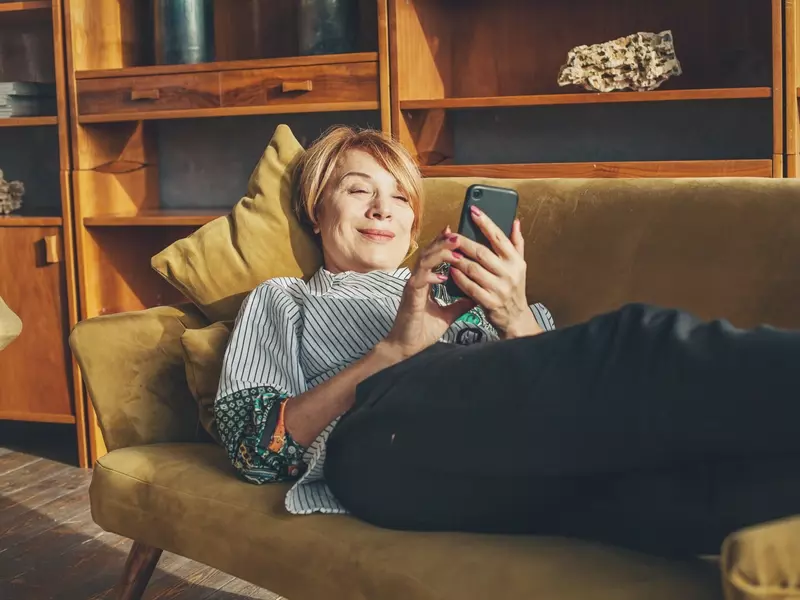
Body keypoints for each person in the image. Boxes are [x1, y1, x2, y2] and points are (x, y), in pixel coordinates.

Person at [214, 125, 800, 559]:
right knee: (639, 342)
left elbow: (581, 388)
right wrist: (393, 350)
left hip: (521, 451)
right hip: (374, 444)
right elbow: (251, 448)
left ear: (415, 224)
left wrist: (515, 313)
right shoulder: (284, 300)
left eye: (399, 198)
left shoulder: (475, 287)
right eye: (357, 190)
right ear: (317, 212)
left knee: (698, 497)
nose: (381, 210)